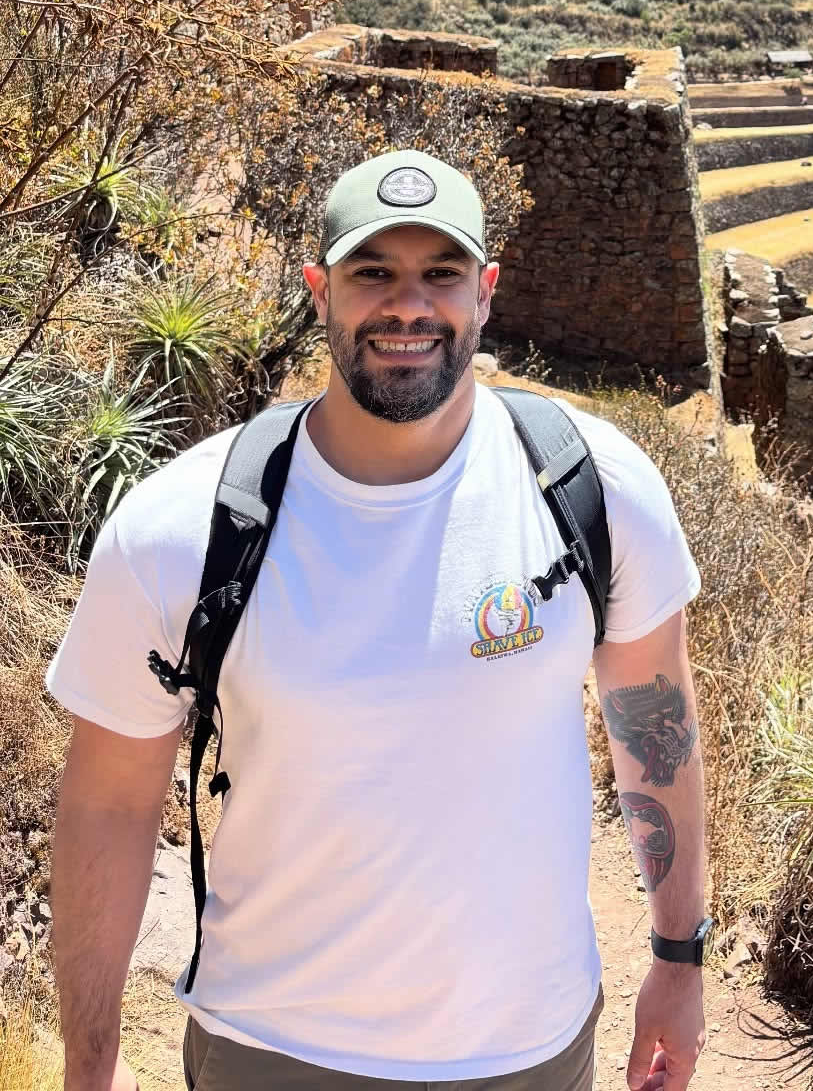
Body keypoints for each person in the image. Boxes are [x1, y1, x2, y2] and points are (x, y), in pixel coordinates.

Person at [46, 149, 710, 1091]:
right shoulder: (180, 531)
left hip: (529, 1050)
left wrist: (679, 960)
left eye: (440, 273)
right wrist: (88, 1062)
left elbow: (657, 734)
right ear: (320, 290)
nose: (409, 306)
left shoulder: (593, 487)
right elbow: (108, 802)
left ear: (484, 293)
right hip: (269, 1053)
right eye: (373, 273)